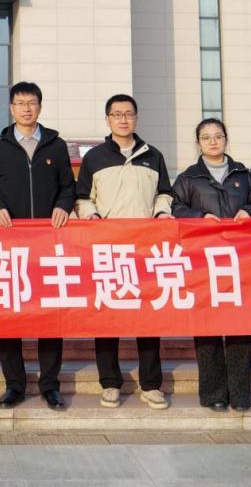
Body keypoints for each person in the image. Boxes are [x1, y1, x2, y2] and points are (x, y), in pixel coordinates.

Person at [74, 93, 174, 410]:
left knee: (148, 318)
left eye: (128, 114)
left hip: (145, 247)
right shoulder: (95, 158)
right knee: (107, 317)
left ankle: (151, 385)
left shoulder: (153, 155)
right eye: (116, 114)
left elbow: (164, 193)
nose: (123, 119)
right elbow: (83, 197)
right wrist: (92, 217)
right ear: (107, 119)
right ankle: (110, 383)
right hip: (109, 248)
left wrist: (161, 213)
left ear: (136, 118)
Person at [0, 81, 75, 410]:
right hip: (11, 245)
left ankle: (50, 385)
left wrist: (63, 206)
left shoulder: (56, 146)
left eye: (31, 103)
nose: (26, 108)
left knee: (50, 317)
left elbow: (68, 187)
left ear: (40, 107)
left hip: (50, 244)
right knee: (11, 317)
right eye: (20, 103)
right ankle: (14, 385)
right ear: (11, 108)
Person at [172, 117, 251, 412]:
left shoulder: (244, 174)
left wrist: (248, 210)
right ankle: (213, 394)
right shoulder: (188, 178)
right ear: (198, 143)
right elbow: (175, 209)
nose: (213, 142)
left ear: (226, 139)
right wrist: (199, 217)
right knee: (208, 328)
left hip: (241, 262)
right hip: (204, 264)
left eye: (218, 136)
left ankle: (240, 395)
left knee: (241, 327)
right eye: (206, 137)